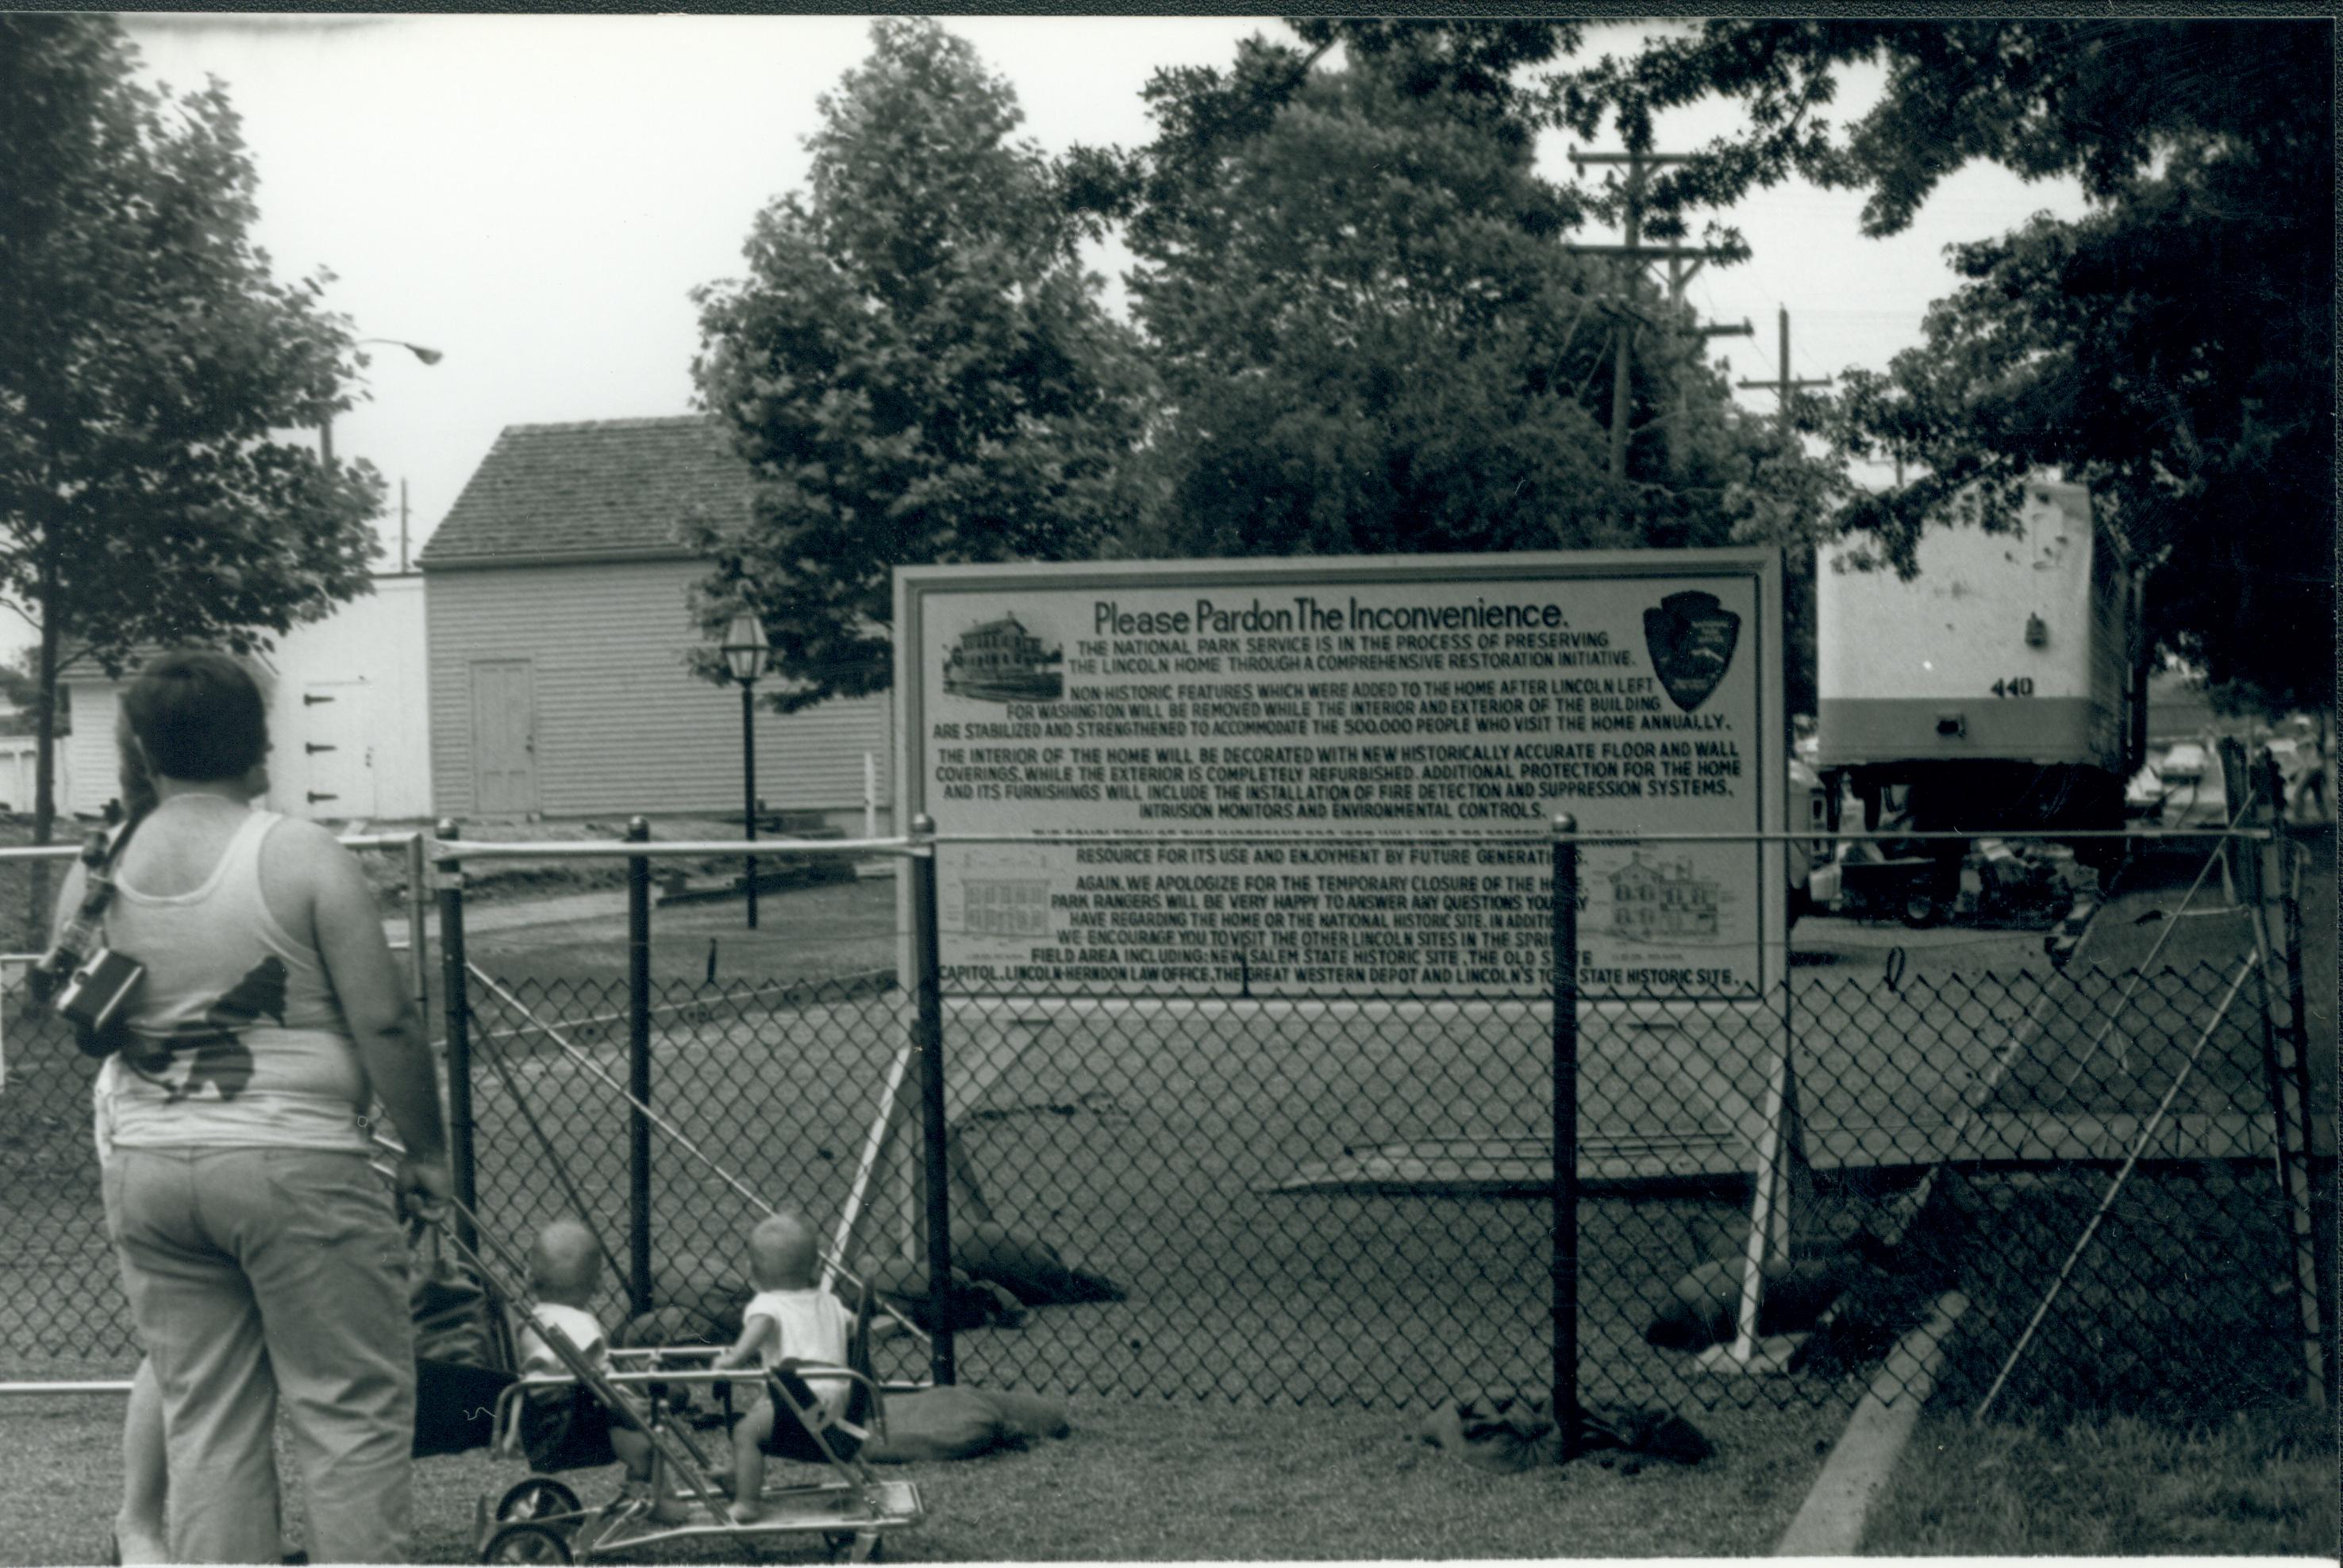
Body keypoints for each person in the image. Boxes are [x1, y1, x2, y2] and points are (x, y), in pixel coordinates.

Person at [66, 650, 449, 1565]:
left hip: (153, 1167)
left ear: (144, 748)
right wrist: (430, 1148)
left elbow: (81, 1007)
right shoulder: (298, 853)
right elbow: (387, 1021)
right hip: (293, 1164)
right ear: (258, 747)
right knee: (345, 1406)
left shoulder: (105, 866)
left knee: (210, 1414)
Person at [510, 1216, 683, 1522]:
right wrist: (631, 1406)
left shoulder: (534, 1319)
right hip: (571, 1422)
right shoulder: (580, 1328)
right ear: (598, 1284)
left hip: (543, 1420)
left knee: (639, 1419)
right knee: (648, 1439)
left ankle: (643, 1493)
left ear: (528, 1277)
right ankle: (659, 1499)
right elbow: (597, 1381)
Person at [714, 1209, 858, 1525]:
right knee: (759, 1411)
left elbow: (752, 1339)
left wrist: (732, 1358)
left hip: (802, 1405)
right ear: (816, 1266)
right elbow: (852, 1330)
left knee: (746, 1432)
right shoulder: (830, 1302)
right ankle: (736, 1470)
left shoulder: (767, 1306)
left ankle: (748, 1501)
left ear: (751, 1271)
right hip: (836, 1405)